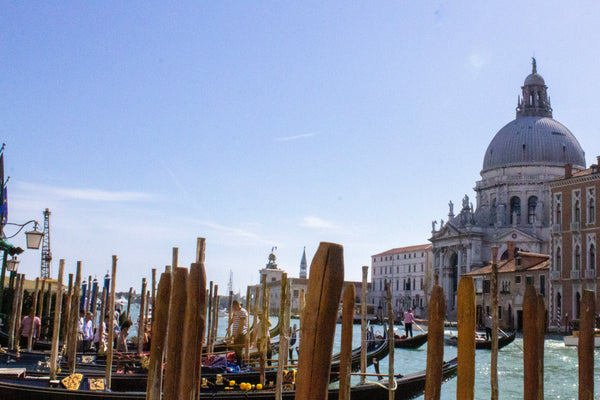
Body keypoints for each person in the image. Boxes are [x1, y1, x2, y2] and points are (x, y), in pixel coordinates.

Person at [227, 300, 248, 366]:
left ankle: (239, 365)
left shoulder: (243, 312)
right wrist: (229, 326)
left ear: (236, 305)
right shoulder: (235, 312)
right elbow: (232, 319)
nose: (233, 308)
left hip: (241, 334)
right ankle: (238, 363)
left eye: (234, 307)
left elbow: (242, 324)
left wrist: (237, 334)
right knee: (236, 349)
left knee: (239, 349)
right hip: (236, 333)